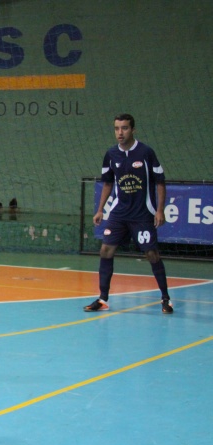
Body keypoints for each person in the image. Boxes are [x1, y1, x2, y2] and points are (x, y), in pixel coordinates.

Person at [84, 113, 173, 314]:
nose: (120, 132)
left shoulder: (146, 152)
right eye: (117, 128)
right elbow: (107, 183)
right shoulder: (111, 154)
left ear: (133, 130)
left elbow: (160, 182)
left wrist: (159, 210)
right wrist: (100, 210)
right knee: (105, 250)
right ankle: (103, 298)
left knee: (151, 254)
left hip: (142, 214)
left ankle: (166, 299)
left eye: (124, 128)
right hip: (119, 213)